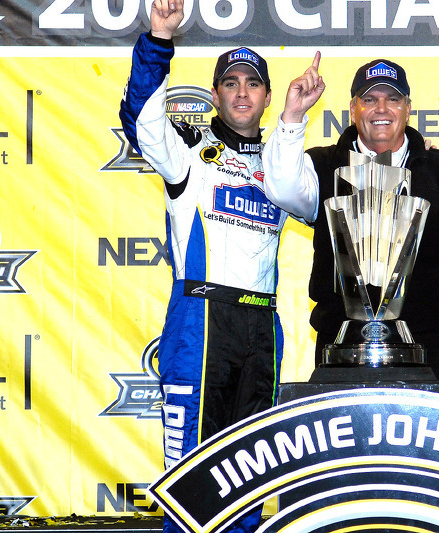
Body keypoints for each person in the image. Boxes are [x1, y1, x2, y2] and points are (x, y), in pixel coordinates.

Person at [119, 1, 288, 531]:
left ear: (265, 96)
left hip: (262, 326)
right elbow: (143, 121)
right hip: (201, 322)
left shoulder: (283, 165)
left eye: (253, 83)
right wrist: (159, 38)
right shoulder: (190, 150)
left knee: (250, 478)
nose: (242, 91)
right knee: (191, 485)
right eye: (231, 82)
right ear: (215, 95)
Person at [263, 55, 439, 391]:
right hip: (343, 350)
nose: (381, 109)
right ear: (353, 109)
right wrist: (293, 115)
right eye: (369, 99)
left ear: (407, 108)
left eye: (392, 99)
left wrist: (425, 293)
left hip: (436, 349)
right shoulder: (322, 165)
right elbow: (282, 189)